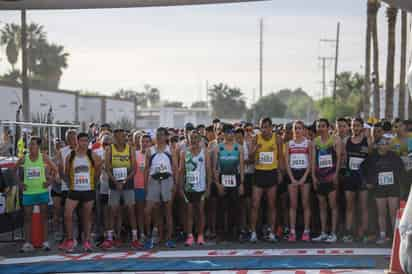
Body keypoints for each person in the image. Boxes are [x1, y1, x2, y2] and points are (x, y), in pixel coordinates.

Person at [59, 133, 102, 252]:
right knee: (67, 215)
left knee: (87, 217)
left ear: (88, 142)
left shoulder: (92, 155)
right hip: (74, 190)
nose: (84, 143)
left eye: (86, 141)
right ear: (77, 141)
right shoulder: (71, 156)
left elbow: (100, 165)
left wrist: (95, 179)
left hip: (88, 189)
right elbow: (66, 172)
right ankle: (70, 240)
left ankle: (87, 241)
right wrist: (69, 183)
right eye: (82, 140)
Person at [15, 136, 59, 252]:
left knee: (44, 218)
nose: (30, 146)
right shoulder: (24, 159)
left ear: (38, 146)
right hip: (28, 193)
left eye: (33, 144)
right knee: (27, 218)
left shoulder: (43, 157)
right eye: (30, 144)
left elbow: (55, 169)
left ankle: (45, 242)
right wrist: (20, 183)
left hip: (42, 192)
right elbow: (13, 170)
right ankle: (27, 243)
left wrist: (49, 182)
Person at [362, 137, 406, 244]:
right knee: (381, 213)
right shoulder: (372, 157)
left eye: (387, 143)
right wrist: (368, 182)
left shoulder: (394, 156)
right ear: (377, 146)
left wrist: (399, 182)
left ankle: (396, 236)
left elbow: (402, 170)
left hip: (392, 188)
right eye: (382, 143)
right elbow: (363, 169)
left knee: (393, 212)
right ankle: (382, 235)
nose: (385, 145)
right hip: (379, 188)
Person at [101, 128, 137, 249]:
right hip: (114, 183)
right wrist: (116, 182)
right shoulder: (109, 149)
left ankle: (135, 238)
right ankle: (110, 238)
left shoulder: (130, 148)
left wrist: (125, 181)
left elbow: (134, 168)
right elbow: (107, 167)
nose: (119, 139)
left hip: (127, 182)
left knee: (131, 210)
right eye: (116, 137)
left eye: (122, 136)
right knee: (113, 210)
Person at [144, 127, 178, 249]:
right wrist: (145, 185)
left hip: (167, 180)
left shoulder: (170, 150)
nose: (158, 137)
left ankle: (168, 239)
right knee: (149, 211)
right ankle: (149, 237)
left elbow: (175, 167)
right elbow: (147, 169)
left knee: (167, 211)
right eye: (157, 135)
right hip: (153, 180)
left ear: (166, 137)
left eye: (161, 135)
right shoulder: (150, 150)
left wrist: (175, 183)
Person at [250, 117, 283, 243]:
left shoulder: (277, 138)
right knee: (255, 204)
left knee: (271, 205)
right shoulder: (256, 138)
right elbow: (251, 157)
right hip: (259, 173)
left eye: (267, 127)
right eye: (262, 127)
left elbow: (280, 157)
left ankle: (271, 232)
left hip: (272, 173)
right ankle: (253, 233)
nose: (264, 129)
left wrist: (280, 172)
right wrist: (255, 149)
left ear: (271, 127)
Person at [312, 119, 342, 243]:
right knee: (322, 206)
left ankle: (333, 233)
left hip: (331, 176)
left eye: (323, 126)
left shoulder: (335, 140)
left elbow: (339, 158)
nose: (321, 128)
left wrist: (336, 174)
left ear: (328, 127)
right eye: (319, 126)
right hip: (320, 177)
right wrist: (313, 176)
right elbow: (313, 160)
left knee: (333, 205)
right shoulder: (315, 141)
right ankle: (323, 232)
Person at [342, 118, 371, 243]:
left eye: (358, 126)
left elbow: (371, 160)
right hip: (350, 177)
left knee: (363, 206)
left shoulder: (367, 141)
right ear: (350, 127)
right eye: (353, 126)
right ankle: (349, 232)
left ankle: (364, 232)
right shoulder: (346, 140)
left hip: (363, 178)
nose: (355, 128)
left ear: (362, 127)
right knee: (350, 206)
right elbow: (343, 159)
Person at [179, 130, 211, 246]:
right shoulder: (184, 153)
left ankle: (201, 235)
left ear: (200, 139)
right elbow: (181, 171)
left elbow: (208, 170)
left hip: (201, 187)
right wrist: (180, 187)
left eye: (196, 138)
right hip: (189, 188)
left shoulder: (205, 152)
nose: (193, 140)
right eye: (191, 138)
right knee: (189, 212)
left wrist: (208, 187)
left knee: (200, 212)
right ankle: (190, 236)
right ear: (188, 139)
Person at [213, 123, 244, 241]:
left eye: (232, 132)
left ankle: (234, 233)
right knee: (221, 207)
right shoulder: (218, 148)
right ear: (224, 134)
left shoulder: (239, 147)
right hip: (222, 178)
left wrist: (241, 184)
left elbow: (241, 168)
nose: (230, 135)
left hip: (235, 179)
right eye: (228, 132)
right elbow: (215, 168)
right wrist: (218, 183)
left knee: (235, 207)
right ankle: (221, 233)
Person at [285, 120, 312, 242]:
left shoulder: (308, 143)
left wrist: (304, 177)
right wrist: (292, 178)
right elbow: (286, 163)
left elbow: (311, 162)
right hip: (292, 174)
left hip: (304, 174)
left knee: (305, 204)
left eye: (300, 128)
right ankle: (292, 231)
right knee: (293, 205)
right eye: (295, 128)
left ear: (304, 130)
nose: (297, 130)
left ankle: (306, 231)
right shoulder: (289, 144)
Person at [235, 127, 254, 242]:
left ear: (243, 136)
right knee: (241, 205)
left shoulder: (248, 145)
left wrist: (243, 161)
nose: (238, 139)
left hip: (249, 176)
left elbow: (253, 159)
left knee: (250, 204)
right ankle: (242, 228)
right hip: (238, 176)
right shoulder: (234, 147)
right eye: (236, 137)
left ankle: (251, 228)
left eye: (239, 136)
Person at [134, 133, 152, 244]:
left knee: (150, 213)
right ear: (139, 143)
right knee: (140, 212)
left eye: (147, 142)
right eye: (143, 142)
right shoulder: (135, 154)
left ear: (150, 143)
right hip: (138, 187)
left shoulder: (153, 154)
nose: (144, 144)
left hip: (152, 188)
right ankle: (141, 234)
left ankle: (150, 233)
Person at [390, 120, 412, 200]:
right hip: (400, 172)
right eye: (395, 127)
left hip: (410, 169)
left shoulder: (410, 137)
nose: (398, 128)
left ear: (404, 126)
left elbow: (410, 151)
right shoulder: (392, 141)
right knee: (403, 193)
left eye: (400, 126)